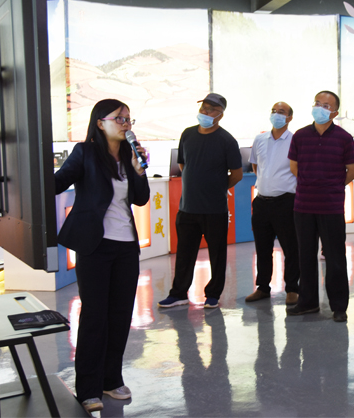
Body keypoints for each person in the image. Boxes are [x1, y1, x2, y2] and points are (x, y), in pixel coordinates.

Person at [54, 99, 150, 413]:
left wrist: (139, 171)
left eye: (128, 118)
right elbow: (57, 183)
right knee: (95, 317)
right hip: (95, 245)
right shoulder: (85, 152)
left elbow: (140, 199)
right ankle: (88, 388)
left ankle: (111, 379)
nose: (126, 124)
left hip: (126, 247)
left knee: (120, 316)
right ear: (100, 122)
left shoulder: (130, 155)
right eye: (119, 118)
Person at [158, 93, 242, 309]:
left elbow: (237, 174)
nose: (205, 112)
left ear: (220, 115)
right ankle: (178, 293)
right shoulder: (187, 134)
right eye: (203, 107)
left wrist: (216, 187)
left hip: (214, 209)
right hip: (187, 208)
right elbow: (183, 164)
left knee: (217, 254)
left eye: (211, 109)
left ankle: (213, 294)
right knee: (184, 254)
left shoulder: (227, 140)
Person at [286, 90, 354, 322]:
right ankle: (307, 303)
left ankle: (339, 306)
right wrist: (310, 183)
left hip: (331, 206)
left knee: (335, 257)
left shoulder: (344, 138)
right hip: (303, 205)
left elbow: (352, 171)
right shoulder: (300, 136)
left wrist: (333, 185)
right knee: (305, 256)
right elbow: (294, 166)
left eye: (326, 105)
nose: (320, 108)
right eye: (317, 103)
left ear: (335, 112)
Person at [246, 102, 300, 305]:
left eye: (281, 112)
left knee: (291, 248)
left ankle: (292, 288)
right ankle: (262, 287)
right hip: (261, 202)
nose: (276, 115)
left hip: (286, 201)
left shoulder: (295, 140)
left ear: (289, 118)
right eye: (274, 111)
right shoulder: (260, 139)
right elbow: (255, 166)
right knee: (262, 247)